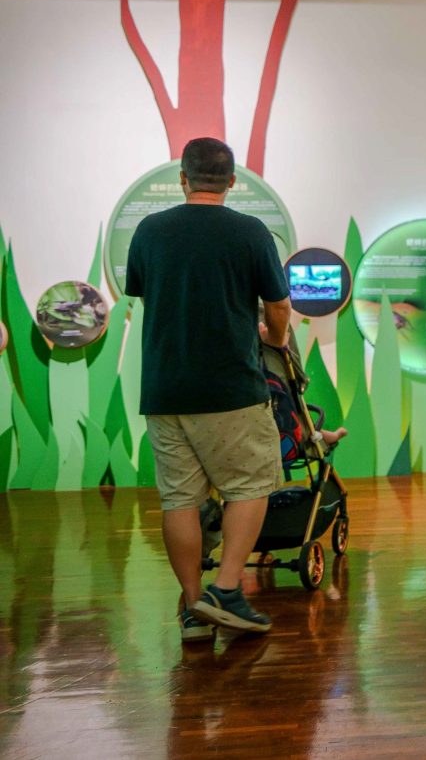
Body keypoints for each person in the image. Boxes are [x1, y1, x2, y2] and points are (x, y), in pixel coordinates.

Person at [125, 136, 291, 642]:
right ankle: (225, 589)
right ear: (233, 181)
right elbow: (278, 306)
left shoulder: (150, 230)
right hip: (229, 388)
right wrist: (276, 341)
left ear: (183, 177)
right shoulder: (250, 231)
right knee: (250, 485)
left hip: (164, 389)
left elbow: (141, 294)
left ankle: (194, 608)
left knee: (179, 500)